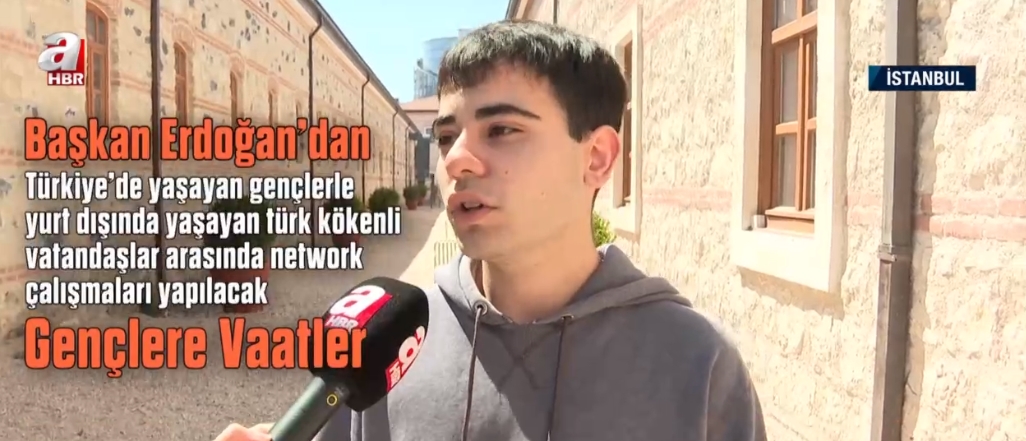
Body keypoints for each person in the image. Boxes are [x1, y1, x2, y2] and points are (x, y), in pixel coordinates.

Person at [215, 20, 766, 441]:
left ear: (597, 157)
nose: (456, 159)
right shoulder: (385, 347)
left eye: (501, 129)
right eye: (446, 136)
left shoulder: (697, 364)